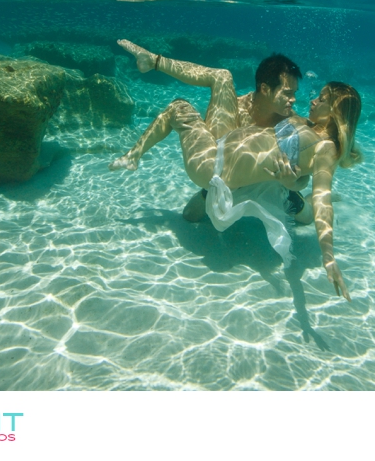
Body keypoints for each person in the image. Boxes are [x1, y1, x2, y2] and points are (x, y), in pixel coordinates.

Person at [110, 42, 361, 301]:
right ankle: (149, 80)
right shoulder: (300, 123)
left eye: (322, 99)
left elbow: (321, 196)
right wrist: (295, 179)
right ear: (265, 88)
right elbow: (293, 161)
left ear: (335, 111)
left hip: (212, 164)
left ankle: (134, 155)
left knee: (179, 107)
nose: (310, 99)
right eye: (314, 95)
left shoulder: (325, 146)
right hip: (220, 152)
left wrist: (328, 256)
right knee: (221, 78)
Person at [113, 41, 310, 222]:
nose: (293, 99)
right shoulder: (234, 108)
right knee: (189, 216)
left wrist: (293, 184)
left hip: (270, 186)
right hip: (223, 178)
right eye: (287, 93)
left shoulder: (291, 123)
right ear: (265, 89)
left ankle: (298, 201)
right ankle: (154, 61)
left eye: (294, 94)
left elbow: (305, 173)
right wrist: (135, 153)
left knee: (307, 219)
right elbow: (207, 146)